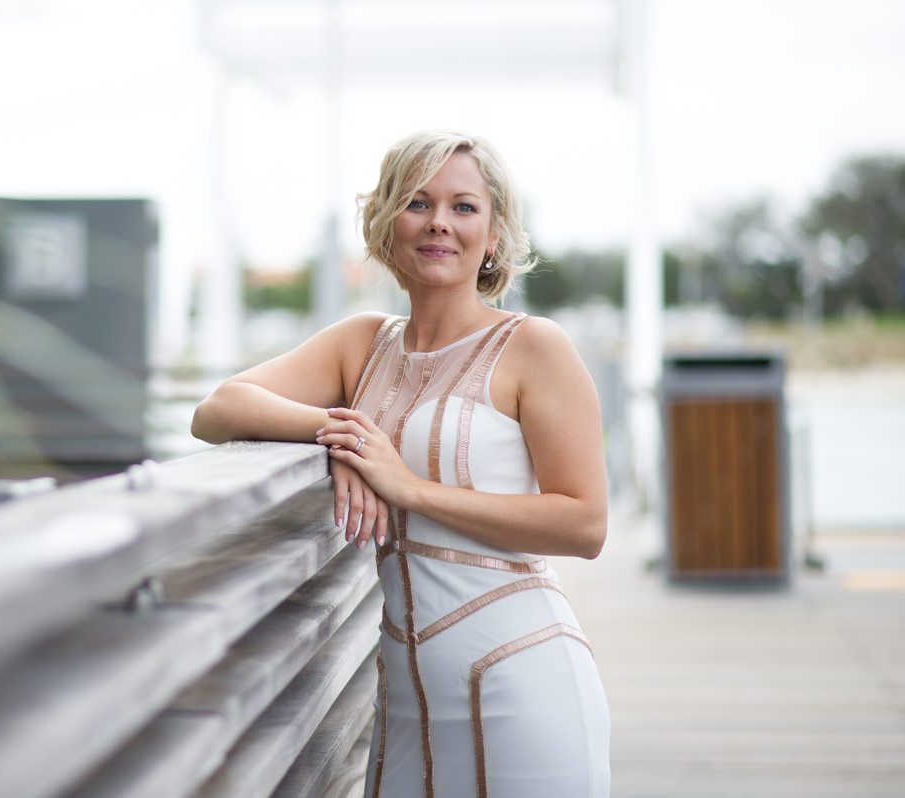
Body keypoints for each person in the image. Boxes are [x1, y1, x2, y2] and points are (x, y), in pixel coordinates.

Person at [191, 130, 610, 797]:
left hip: (523, 680)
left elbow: (583, 524)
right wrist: (343, 433)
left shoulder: (535, 347)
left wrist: (407, 486)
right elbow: (216, 409)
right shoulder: (360, 343)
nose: (439, 221)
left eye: (464, 207)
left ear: (494, 234)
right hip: (404, 696)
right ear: (386, 223)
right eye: (417, 202)